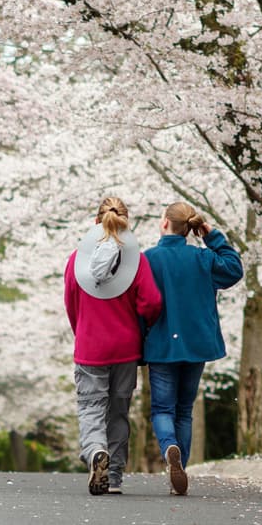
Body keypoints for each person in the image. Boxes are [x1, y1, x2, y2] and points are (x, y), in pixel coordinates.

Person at [143, 201, 243, 495]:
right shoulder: (203, 258)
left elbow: (139, 303)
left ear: (164, 224)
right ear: (191, 228)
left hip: (161, 344)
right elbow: (234, 270)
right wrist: (213, 237)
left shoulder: (148, 260)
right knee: (184, 410)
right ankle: (180, 469)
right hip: (196, 344)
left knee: (163, 408)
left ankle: (169, 447)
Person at [64, 197, 162, 495]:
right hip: (125, 348)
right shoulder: (137, 261)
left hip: (90, 346)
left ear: (96, 223)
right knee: (118, 411)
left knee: (92, 407)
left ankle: (95, 451)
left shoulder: (76, 260)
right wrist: (140, 326)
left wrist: (82, 331)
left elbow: (71, 302)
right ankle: (115, 477)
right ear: (126, 223)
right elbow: (153, 301)